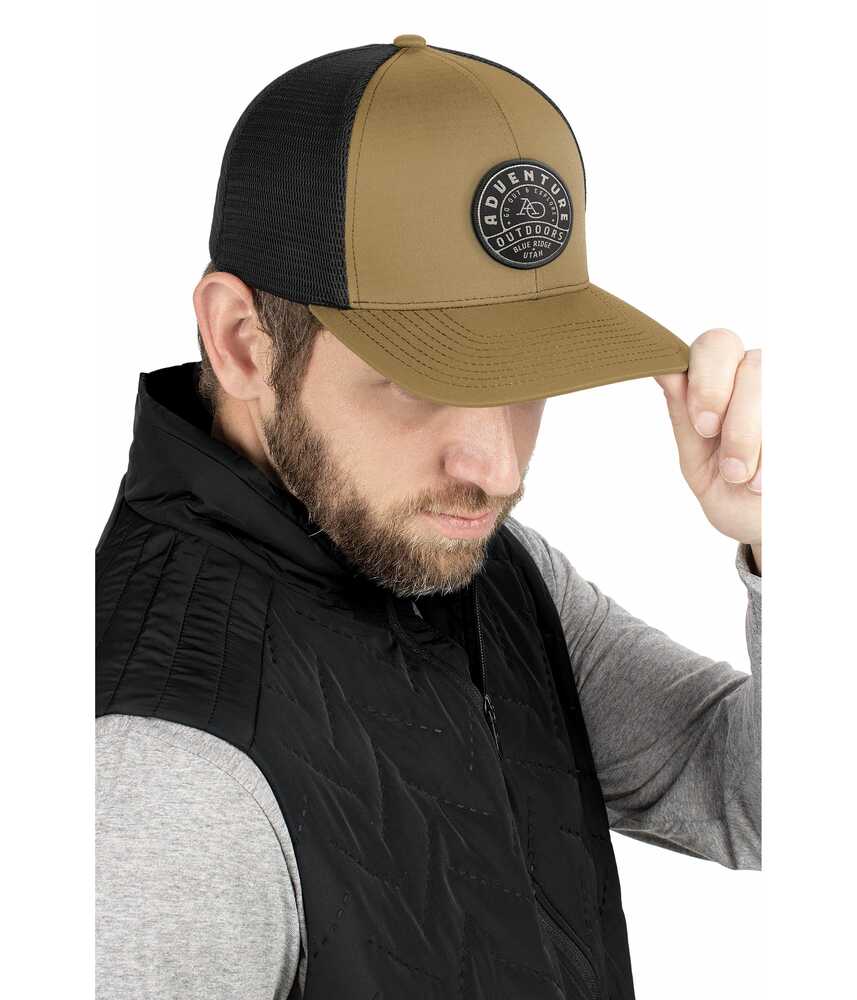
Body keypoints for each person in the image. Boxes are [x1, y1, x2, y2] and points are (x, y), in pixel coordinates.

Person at [95, 35, 761, 1000]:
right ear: (241, 343)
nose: (496, 470)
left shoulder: (495, 572)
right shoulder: (161, 775)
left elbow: (750, 795)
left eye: (529, 376)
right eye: (416, 380)